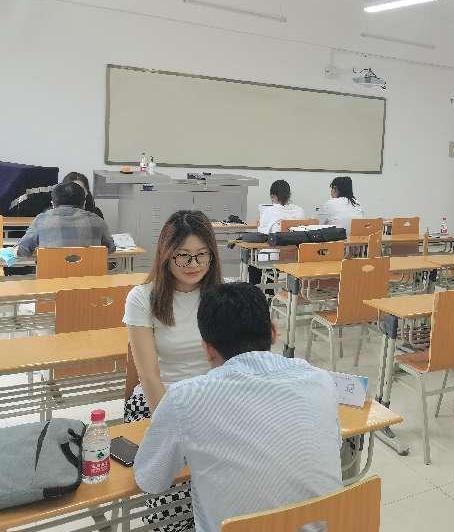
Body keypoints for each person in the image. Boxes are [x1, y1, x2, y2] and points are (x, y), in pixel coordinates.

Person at [135, 282, 342, 532]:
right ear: (273, 332)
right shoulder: (320, 380)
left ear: (207, 349)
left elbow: (150, 480)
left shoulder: (184, 398)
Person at [123, 210, 223, 532]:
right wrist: (174, 428)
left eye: (202, 255)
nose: (193, 264)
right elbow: (149, 375)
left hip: (211, 402)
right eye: (183, 255)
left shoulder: (221, 296)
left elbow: (230, 366)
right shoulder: (143, 298)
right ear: (166, 255)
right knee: (172, 497)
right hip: (159, 402)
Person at [17, 181, 115, 258]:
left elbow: (23, 250)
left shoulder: (41, 220)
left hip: (51, 277)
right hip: (91, 277)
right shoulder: (97, 220)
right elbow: (110, 248)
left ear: (53, 204)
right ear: (84, 203)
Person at [248, 180, 305, 286]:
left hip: (275, 256)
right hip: (295, 256)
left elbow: (262, 234)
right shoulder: (300, 211)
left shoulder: (269, 211)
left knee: (252, 261)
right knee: (276, 252)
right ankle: (271, 290)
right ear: (289, 195)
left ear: (273, 196)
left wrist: (259, 224)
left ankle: (256, 291)